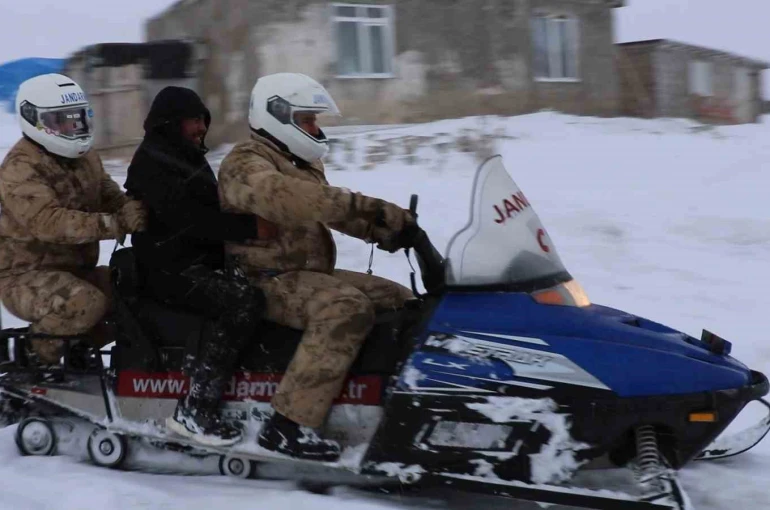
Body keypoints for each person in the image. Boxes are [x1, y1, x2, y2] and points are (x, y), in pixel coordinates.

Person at [218, 73, 415, 461]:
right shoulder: (245, 162)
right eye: (307, 119)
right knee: (345, 307)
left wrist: (390, 230)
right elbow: (287, 199)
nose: (315, 128)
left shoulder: (300, 163)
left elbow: (329, 212)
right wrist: (363, 205)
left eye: (314, 119)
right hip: (263, 279)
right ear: (277, 116)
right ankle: (288, 426)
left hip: (306, 273)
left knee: (399, 299)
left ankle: (385, 400)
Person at [124, 86, 266, 447]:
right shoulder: (151, 163)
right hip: (167, 271)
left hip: (193, 261)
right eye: (193, 119)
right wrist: (251, 229)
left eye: (203, 119)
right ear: (170, 122)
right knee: (241, 302)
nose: (201, 127)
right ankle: (195, 411)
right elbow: (188, 219)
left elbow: (208, 210)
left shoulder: (182, 154)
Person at [0, 73, 146, 366]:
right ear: (34, 120)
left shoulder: (86, 157)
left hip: (77, 270)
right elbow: (50, 223)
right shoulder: (20, 168)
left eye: (76, 119)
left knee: (136, 289)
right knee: (84, 303)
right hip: (25, 277)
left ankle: (77, 349)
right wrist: (115, 223)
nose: (71, 127)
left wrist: (136, 211)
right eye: (60, 121)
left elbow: (109, 194)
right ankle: (31, 357)